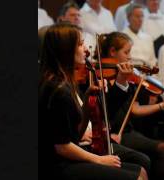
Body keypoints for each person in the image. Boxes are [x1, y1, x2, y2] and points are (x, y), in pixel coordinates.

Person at [38, 23, 148, 180]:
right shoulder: (57, 90)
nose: (87, 50)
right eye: (81, 44)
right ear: (66, 50)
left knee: (141, 171)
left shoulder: (65, 82)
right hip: (57, 165)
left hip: (70, 155)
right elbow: (62, 146)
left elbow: (75, 134)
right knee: (136, 176)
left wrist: (88, 105)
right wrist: (99, 160)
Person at [95, 31, 164, 180]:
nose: (130, 57)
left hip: (125, 131)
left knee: (162, 147)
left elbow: (134, 109)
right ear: (112, 52)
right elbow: (104, 111)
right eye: (126, 52)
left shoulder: (127, 78)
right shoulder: (98, 76)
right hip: (109, 133)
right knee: (160, 150)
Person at [123, 3, 157, 68]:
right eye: (137, 16)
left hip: (147, 73)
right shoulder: (121, 37)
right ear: (128, 18)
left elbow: (152, 61)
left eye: (142, 16)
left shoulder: (148, 38)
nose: (140, 19)